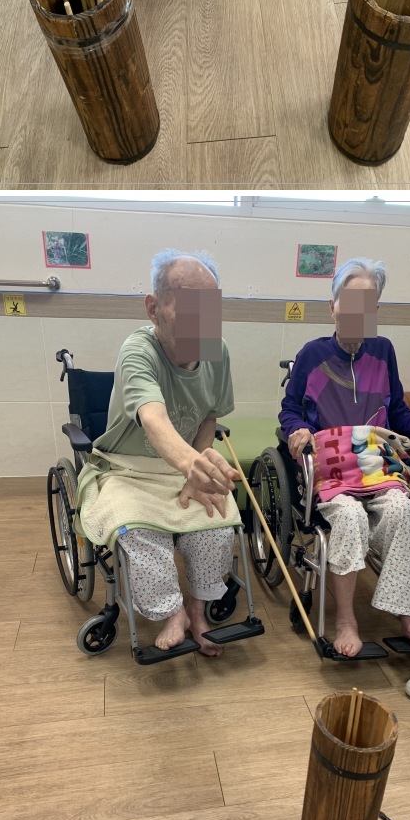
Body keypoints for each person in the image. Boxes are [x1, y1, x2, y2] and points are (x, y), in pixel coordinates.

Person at [76, 252, 238, 665]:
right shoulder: (138, 350)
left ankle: (197, 612)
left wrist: (199, 466)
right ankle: (172, 613)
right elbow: (153, 418)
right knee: (140, 533)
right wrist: (192, 465)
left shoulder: (216, 350)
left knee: (217, 521)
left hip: (180, 466)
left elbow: (208, 414)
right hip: (126, 470)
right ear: (154, 308)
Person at [278, 251, 410, 663]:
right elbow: (290, 409)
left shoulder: (384, 351)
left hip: (378, 465)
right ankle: (346, 619)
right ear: (332, 307)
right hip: (332, 468)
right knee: (348, 517)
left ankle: (409, 619)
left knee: (404, 513)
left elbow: (397, 410)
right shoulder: (312, 355)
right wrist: (297, 429)